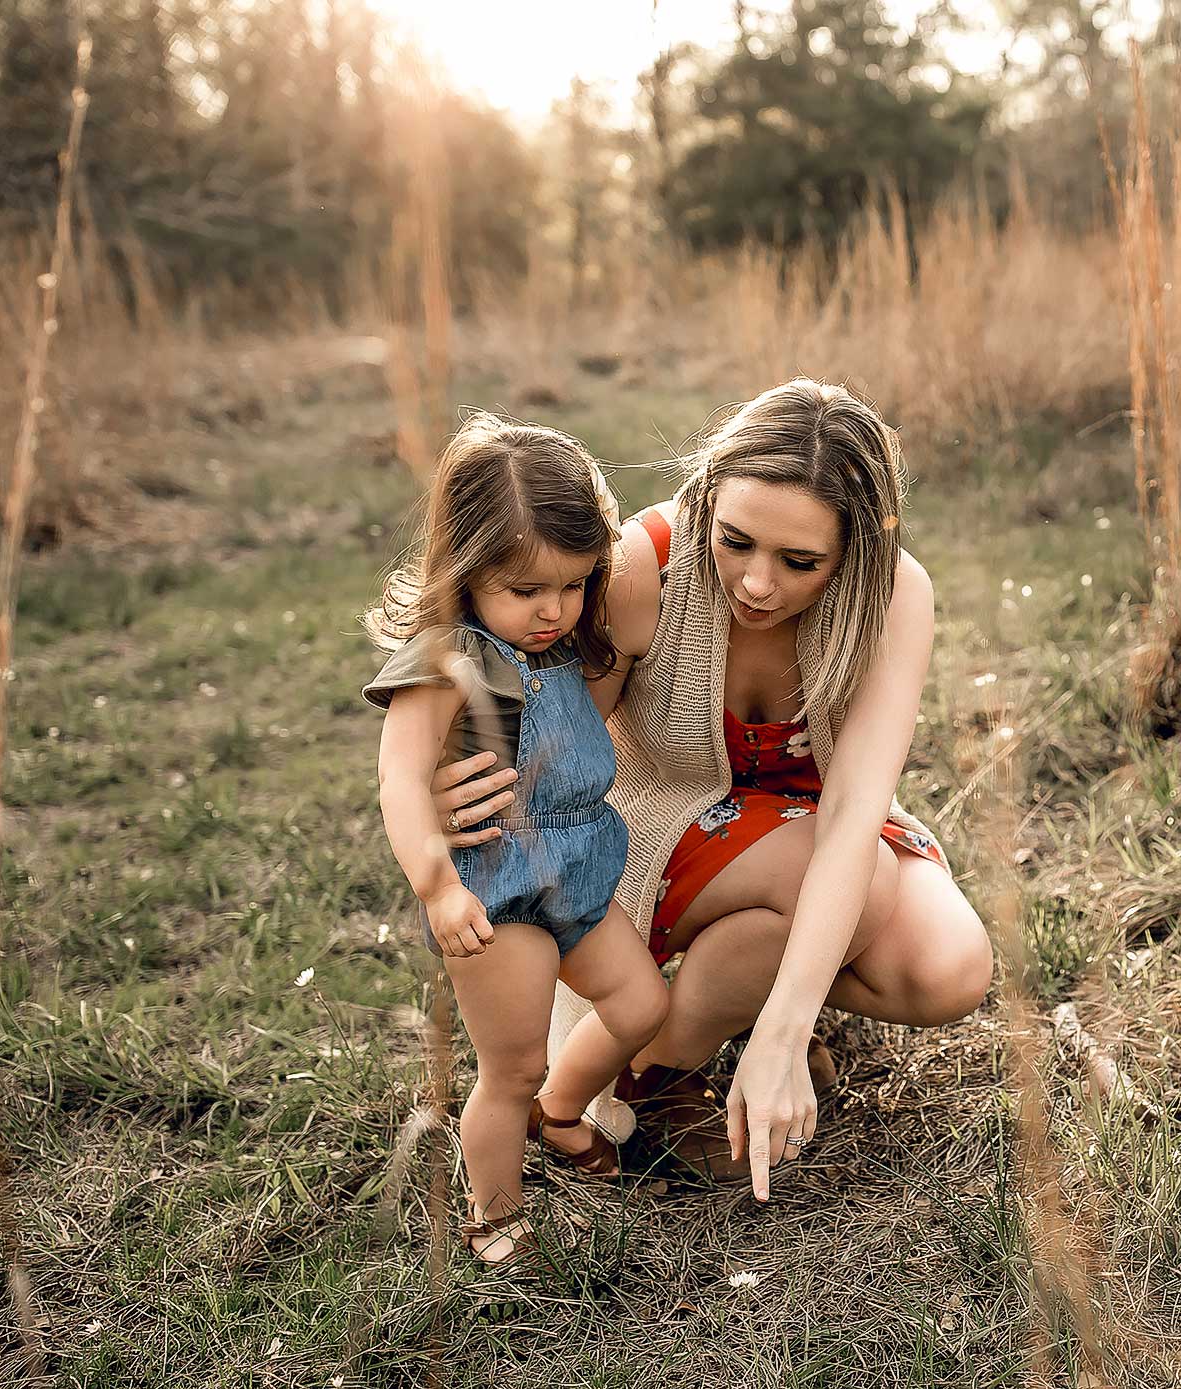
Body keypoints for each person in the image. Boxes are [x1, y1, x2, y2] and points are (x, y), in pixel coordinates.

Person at [433, 379, 994, 1201]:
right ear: (705, 499)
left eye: (800, 562)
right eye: (736, 542)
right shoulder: (644, 561)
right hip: (660, 817)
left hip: (817, 830)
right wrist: (458, 787)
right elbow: (568, 747)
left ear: (863, 549)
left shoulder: (894, 594)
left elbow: (853, 813)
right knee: (853, 883)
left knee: (949, 968)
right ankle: (653, 1068)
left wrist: (786, 1024)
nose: (758, 583)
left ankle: (705, 1038)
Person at [364, 415, 669, 1265]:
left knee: (644, 1004)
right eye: (524, 589)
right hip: (496, 897)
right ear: (466, 571)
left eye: (572, 585)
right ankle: (495, 1216)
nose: (552, 609)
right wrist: (438, 885)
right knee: (510, 1069)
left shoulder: (572, 643)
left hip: (577, 873)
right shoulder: (448, 658)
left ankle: (560, 1114)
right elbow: (399, 778)